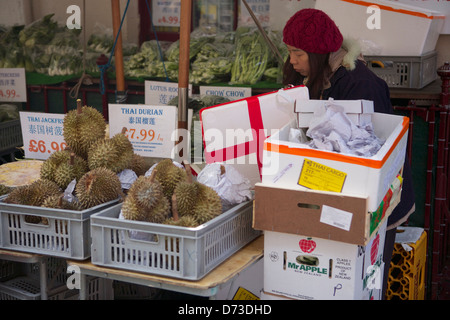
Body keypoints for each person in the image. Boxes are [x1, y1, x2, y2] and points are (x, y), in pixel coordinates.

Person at [282, 8, 416, 299]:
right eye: (289, 52)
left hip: (377, 200)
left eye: (298, 53)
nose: (292, 60)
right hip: (336, 193)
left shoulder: (362, 85)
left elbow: (374, 150)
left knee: (367, 280)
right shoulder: (317, 76)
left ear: (319, 54)